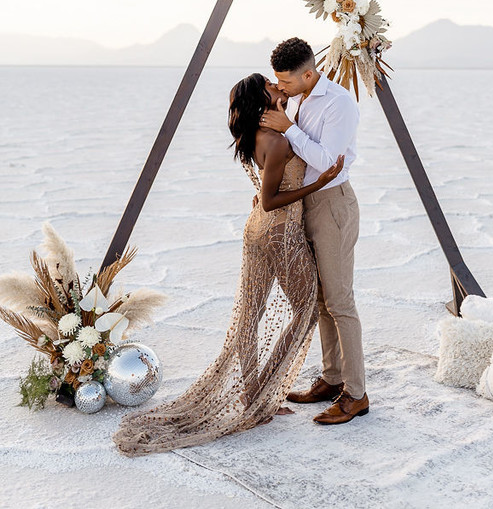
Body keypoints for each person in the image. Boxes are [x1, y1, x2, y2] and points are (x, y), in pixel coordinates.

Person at [113, 73, 343, 455]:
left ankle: (253, 394)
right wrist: (322, 182)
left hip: (256, 231)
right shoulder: (278, 139)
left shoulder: (257, 136)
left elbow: (264, 193)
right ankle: (264, 394)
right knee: (306, 309)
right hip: (279, 233)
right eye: (272, 88)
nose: (278, 88)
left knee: (250, 316)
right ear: (261, 100)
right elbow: (271, 199)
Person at [261, 37, 369, 425]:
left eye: (286, 82)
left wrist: (288, 127)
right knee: (321, 299)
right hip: (306, 205)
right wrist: (286, 111)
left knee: (340, 301)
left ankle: (356, 395)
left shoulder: (339, 103)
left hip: (332, 203)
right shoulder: (299, 98)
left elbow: (327, 162)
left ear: (308, 74)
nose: (281, 88)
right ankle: (332, 377)